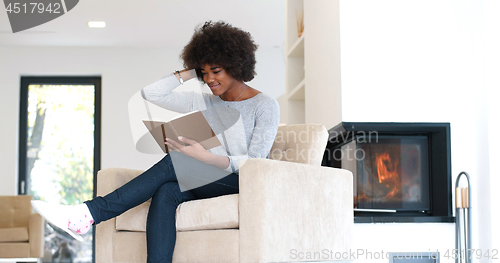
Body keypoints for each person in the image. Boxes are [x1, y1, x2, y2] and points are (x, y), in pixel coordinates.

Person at [32, 20, 280, 263]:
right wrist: (190, 71)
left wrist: (205, 157)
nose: (210, 79)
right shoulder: (206, 101)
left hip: (244, 183)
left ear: (236, 65)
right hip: (211, 178)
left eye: (216, 71)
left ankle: (89, 213)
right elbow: (151, 93)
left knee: (177, 159)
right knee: (166, 191)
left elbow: (256, 162)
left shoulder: (264, 105)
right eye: (204, 73)